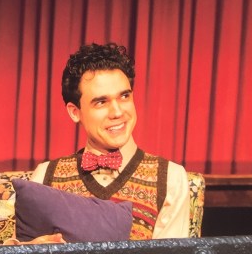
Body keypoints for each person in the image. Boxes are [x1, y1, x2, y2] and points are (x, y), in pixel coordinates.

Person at [11, 43, 190, 244]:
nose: (117, 112)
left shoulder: (170, 179)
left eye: (124, 96)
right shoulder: (45, 176)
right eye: (101, 102)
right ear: (74, 112)